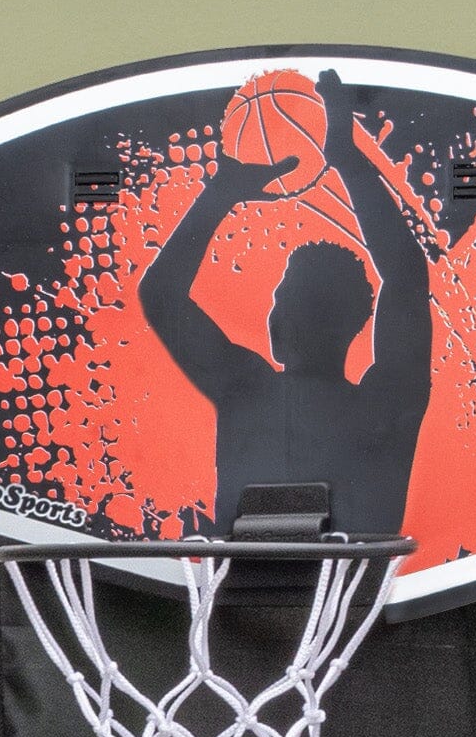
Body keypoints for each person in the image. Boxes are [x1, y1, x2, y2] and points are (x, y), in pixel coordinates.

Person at [137, 67, 432, 537]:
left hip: (342, 598)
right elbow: (405, 279)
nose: (277, 314)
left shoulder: (248, 388)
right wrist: (345, 160)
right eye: (279, 298)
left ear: (347, 323)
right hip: (288, 596)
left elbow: (406, 280)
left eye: (293, 300)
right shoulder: (385, 403)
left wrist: (222, 194)